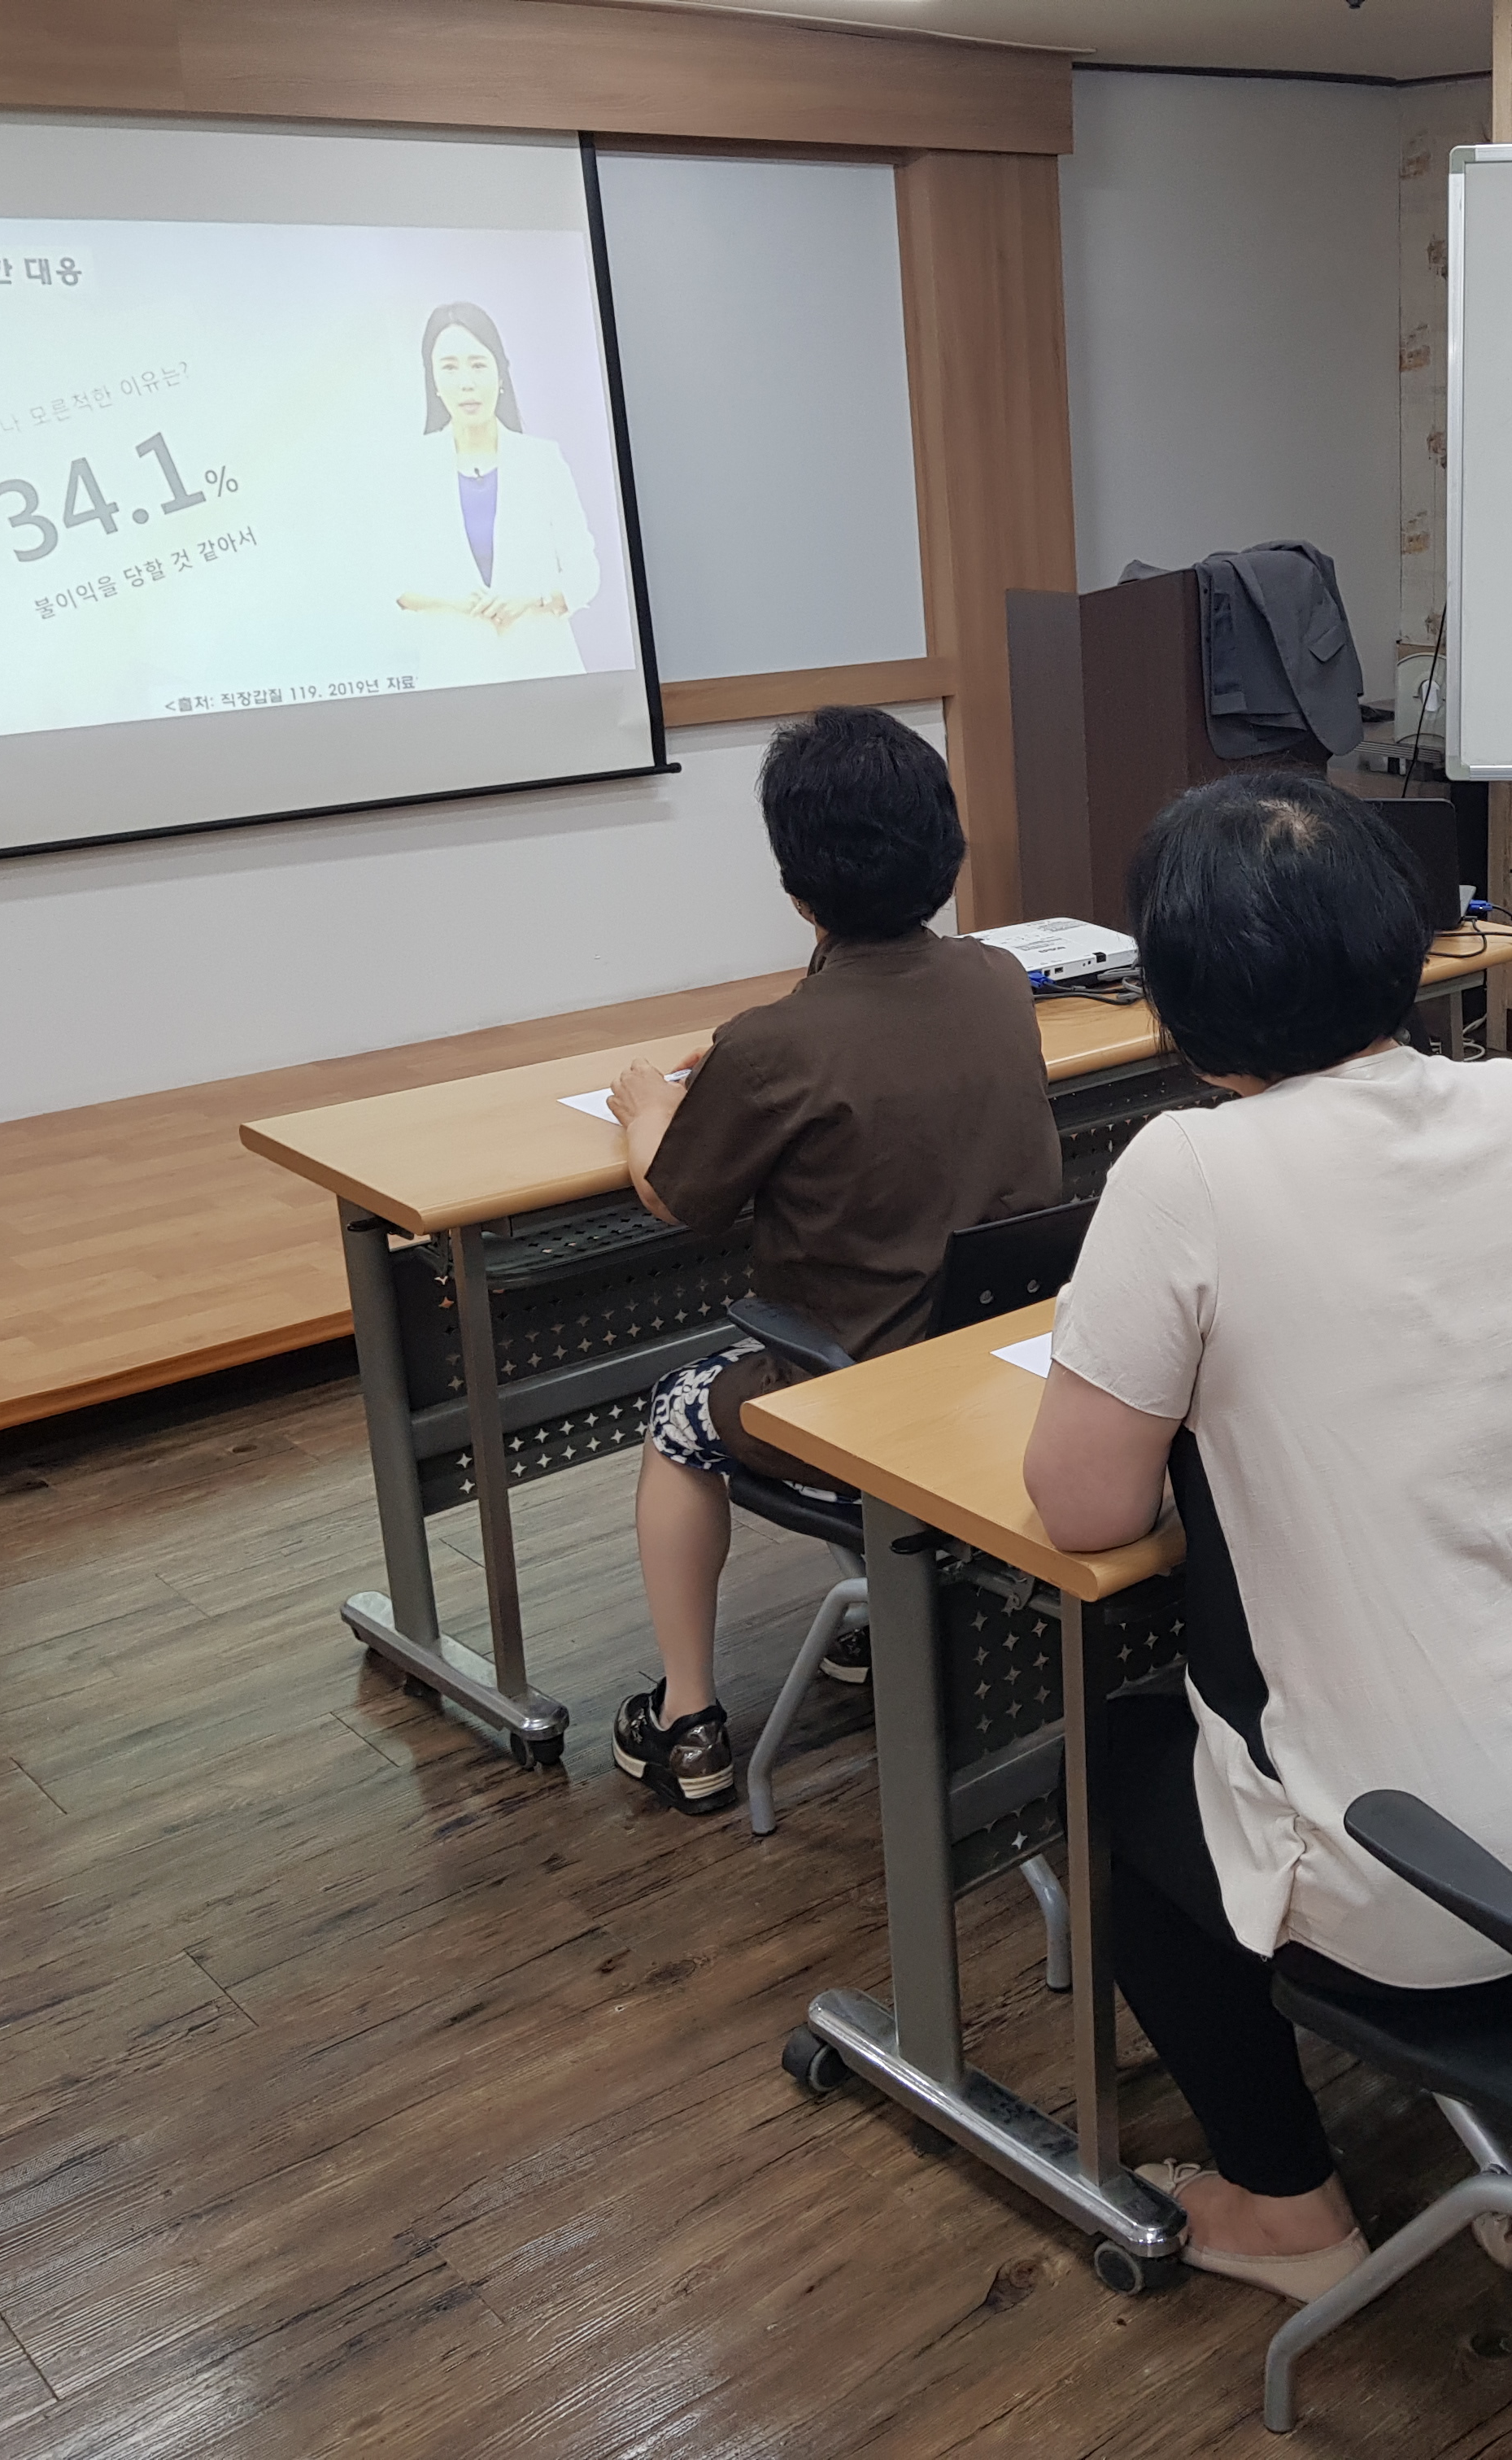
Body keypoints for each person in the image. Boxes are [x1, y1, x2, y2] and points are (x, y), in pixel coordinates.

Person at [1022, 772, 1512, 2302]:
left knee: (1113, 1758)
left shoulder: (1187, 1168)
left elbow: (1083, 1508)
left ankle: (1287, 2206)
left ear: (1181, 1003)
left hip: (1445, 1882)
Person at [607, 708, 1064, 1812]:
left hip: (867, 1404)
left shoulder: (773, 1044)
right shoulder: (999, 977)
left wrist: (645, 1109)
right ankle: (888, 1621)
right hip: (1002, 1378)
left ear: (795, 884)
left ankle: (687, 1722)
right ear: (946, 850)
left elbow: (676, 1195)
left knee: (677, 1412)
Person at [391, 300, 607, 684]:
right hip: (454, 676)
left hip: (544, 672)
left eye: (478, 364)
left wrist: (533, 598)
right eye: (449, 367)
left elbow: (585, 573)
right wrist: (454, 602)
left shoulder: (542, 460)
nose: (466, 382)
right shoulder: (412, 468)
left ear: (500, 374)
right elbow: (393, 584)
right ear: (434, 381)